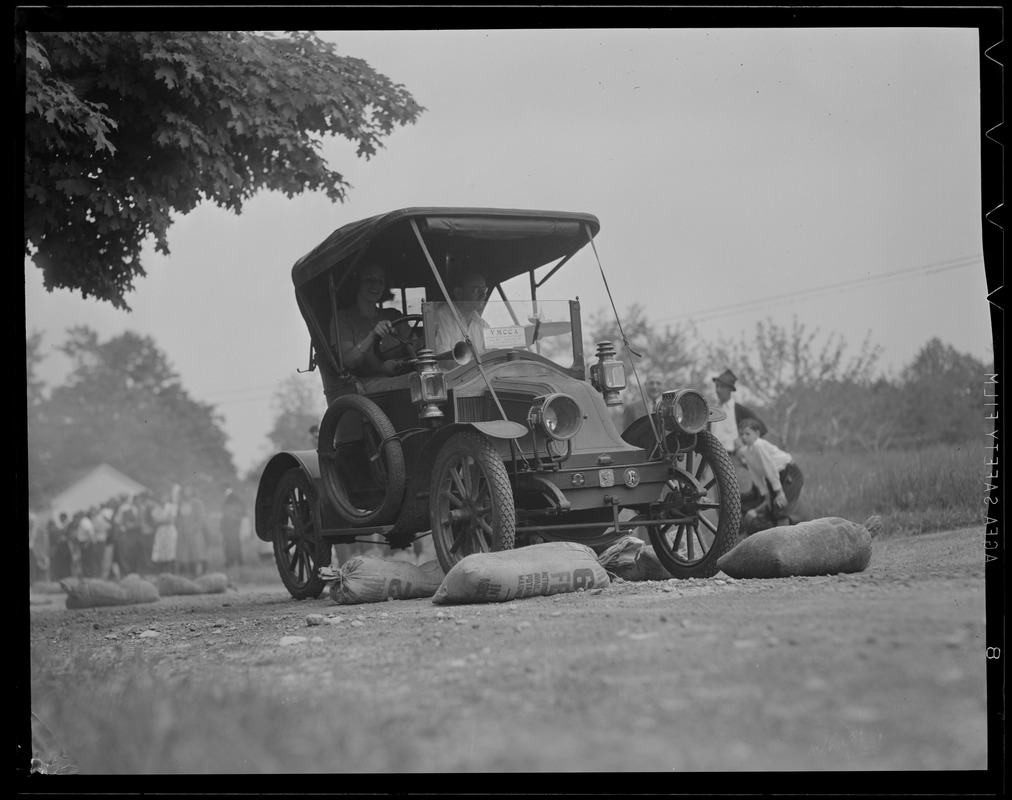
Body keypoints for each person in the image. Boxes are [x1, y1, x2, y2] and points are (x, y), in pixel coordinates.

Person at [322, 263, 412, 404]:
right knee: (415, 382)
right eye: (368, 279)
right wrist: (372, 335)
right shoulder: (342, 318)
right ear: (357, 283)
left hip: (398, 376)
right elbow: (349, 360)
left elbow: (413, 346)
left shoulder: (394, 315)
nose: (375, 284)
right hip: (365, 387)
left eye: (380, 280)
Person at [737, 418, 805, 534]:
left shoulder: (759, 445)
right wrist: (766, 495)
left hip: (789, 472)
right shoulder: (746, 451)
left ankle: (784, 540)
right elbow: (756, 476)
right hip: (775, 476)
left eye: (747, 434)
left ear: (757, 434)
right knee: (771, 509)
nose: (744, 437)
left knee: (781, 507)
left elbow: (770, 468)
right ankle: (775, 539)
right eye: (741, 434)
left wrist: (779, 492)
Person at [431, 267, 490, 357]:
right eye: (476, 290)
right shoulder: (442, 317)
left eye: (484, 290)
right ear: (458, 292)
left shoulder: (482, 325)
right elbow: (442, 358)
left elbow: (490, 355)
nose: (483, 295)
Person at [709, 368, 767, 455]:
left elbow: (762, 428)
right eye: (717, 386)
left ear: (730, 389)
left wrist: (744, 440)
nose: (718, 390)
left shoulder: (739, 410)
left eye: (722, 386)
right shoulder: (712, 410)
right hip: (712, 456)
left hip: (733, 457)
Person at [150, 490, 179, 574]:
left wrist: (162, 520)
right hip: (160, 531)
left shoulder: (172, 507)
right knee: (160, 551)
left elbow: (171, 520)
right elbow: (155, 521)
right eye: (161, 497)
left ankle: (170, 572)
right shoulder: (156, 508)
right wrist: (164, 520)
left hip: (169, 530)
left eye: (165, 496)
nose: (163, 498)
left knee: (170, 551)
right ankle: (160, 572)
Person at [221, 486, 245, 568]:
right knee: (229, 542)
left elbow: (240, 511)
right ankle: (231, 560)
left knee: (234, 542)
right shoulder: (227, 500)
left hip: (234, 525)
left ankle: (236, 560)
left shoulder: (234, 499)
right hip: (228, 524)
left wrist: (234, 516)